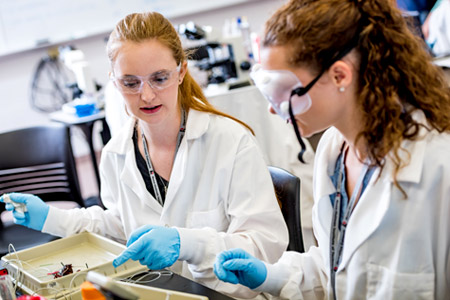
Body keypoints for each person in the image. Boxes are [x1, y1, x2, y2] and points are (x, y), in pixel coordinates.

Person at [0, 11, 289, 299]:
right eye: (130, 83)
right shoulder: (116, 153)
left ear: (181, 72)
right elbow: (118, 227)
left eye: (159, 78)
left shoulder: (230, 141)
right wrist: (51, 218)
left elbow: (264, 245)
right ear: (114, 82)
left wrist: (189, 244)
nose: (147, 95)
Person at [214, 0, 450, 299]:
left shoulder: (438, 164)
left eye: (285, 91)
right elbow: (338, 264)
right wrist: (271, 275)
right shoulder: (333, 151)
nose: (275, 110)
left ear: (340, 75)